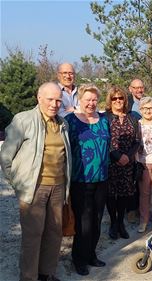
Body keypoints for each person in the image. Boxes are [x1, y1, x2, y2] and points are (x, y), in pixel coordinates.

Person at [0, 82, 72, 281]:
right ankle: (29, 277)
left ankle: (46, 273)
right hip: (33, 187)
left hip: (58, 186)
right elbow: (6, 156)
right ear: (39, 98)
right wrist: (17, 183)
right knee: (33, 236)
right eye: (50, 99)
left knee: (54, 233)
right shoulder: (23, 120)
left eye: (58, 100)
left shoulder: (62, 123)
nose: (55, 104)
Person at [65, 84, 110, 276]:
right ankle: (79, 259)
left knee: (97, 219)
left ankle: (91, 254)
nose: (91, 103)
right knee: (84, 221)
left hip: (102, 178)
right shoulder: (70, 121)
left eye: (94, 100)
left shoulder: (103, 120)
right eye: (87, 100)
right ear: (80, 101)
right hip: (80, 179)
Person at [104, 86, 141, 239]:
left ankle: (121, 223)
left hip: (128, 162)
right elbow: (106, 140)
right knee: (111, 195)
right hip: (111, 162)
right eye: (115, 98)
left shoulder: (132, 117)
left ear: (125, 100)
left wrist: (128, 156)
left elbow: (137, 140)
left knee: (125, 194)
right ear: (110, 100)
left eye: (121, 98)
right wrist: (118, 156)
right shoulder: (105, 118)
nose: (118, 101)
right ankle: (113, 223)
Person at [137, 96, 152, 233]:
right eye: (145, 108)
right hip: (142, 162)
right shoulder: (138, 123)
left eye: (150, 108)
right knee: (144, 193)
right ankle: (144, 220)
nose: (148, 111)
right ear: (140, 110)